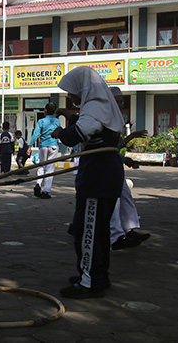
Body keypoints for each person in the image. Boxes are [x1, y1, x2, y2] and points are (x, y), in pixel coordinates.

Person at [51, 66, 125, 299]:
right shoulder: (103, 105)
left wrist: (61, 133)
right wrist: (70, 116)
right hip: (103, 173)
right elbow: (93, 125)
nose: (71, 97)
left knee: (88, 230)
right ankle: (96, 274)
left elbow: (80, 132)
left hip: (98, 177)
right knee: (99, 231)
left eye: (71, 92)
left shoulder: (94, 106)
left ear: (81, 88)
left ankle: (89, 282)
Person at [108, 86, 151, 250]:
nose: (119, 105)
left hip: (115, 164)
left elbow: (117, 145)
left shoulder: (117, 118)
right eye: (116, 101)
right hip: (107, 165)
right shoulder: (104, 118)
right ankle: (116, 236)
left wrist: (131, 137)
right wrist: (124, 158)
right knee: (114, 201)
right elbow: (107, 147)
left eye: (121, 102)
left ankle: (130, 229)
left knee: (125, 197)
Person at [28, 102, 61, 199]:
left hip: (43, 146)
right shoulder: (56, 121)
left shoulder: (41, 121)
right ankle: (46, 191)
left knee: (41, 166)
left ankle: (38, 184)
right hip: (53, 146)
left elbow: (35, 134)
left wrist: (30, 146)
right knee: (50, 169)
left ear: (45, 110)